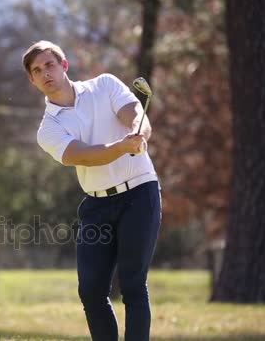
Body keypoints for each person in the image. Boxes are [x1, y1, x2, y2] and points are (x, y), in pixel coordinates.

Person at [22, 40, 162, 341]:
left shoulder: (105, 85)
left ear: (64, 65)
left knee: (133, 283)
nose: (45, 73)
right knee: (90, 289)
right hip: (97, 206)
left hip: (140, 194)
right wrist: (122, 147)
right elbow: (82, 155)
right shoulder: (47, 129)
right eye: (37, 70)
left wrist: (139, 131)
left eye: (49, 64)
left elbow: (136, 115)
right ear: (32, 81)